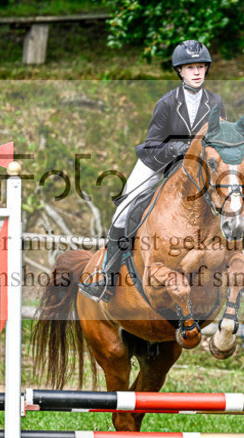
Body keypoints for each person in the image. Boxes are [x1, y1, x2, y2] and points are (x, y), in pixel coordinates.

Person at [78, 40, 227, 302]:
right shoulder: (167, 103)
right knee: (122, 214)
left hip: (198, 169)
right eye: (190, 67)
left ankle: (237, 269)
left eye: (201, 67)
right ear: (179, 71)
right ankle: (105, 277)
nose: (196, 72)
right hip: (159, 162)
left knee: (230, 202)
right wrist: (177, 149)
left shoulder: (215, 103)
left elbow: (221, 139)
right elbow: (149, 146)